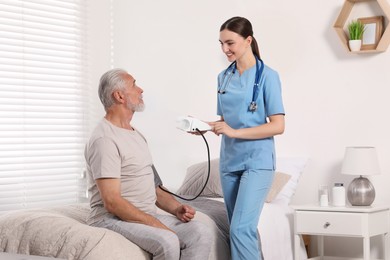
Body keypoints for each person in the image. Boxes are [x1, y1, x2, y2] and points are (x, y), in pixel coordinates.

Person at [84, 68, 212, 260]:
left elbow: (155, 187)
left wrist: (176, 208)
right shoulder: (104, 139)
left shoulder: (135, 134)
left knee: (200, 232)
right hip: (110, 219)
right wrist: (156, 224)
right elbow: (112, 202)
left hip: (142, 214)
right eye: (134, 85)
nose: (141, 89)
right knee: (167, 240)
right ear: (119, 96)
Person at [208, 17, 285, 260]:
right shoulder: (223, 78)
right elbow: (225, 121)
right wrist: (204, 127)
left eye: (230, 43)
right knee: (240, 230)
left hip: (257, 162)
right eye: (221, 43)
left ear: (248, 40)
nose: (225, 49)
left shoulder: (267, 77)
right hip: (229, 162)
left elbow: (278, 125)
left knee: (241, 229)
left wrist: (235, 132)